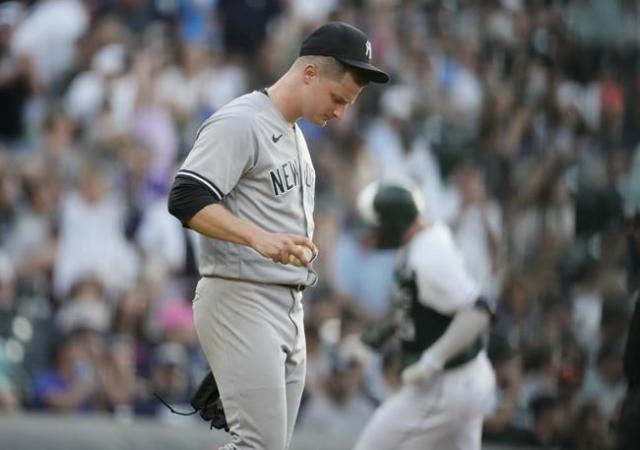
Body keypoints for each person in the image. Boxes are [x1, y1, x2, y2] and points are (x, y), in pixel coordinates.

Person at [167, 22, 388, 450]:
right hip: (241, 297)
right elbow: (185, 197)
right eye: (337, 98)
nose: (341, 112)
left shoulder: (294, 134)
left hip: (285, 306)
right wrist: (257, 237)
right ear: (309, 74)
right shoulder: (241, 121)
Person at [353, 180, 495, 450]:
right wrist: (373, 340)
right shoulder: (420, 240)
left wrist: (431, 361)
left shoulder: (428, 258)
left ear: (394, 225)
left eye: (376, 228)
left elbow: (479, 312)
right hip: (465, 378)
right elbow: (414, 306)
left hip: (446, 383)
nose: (370, 235)